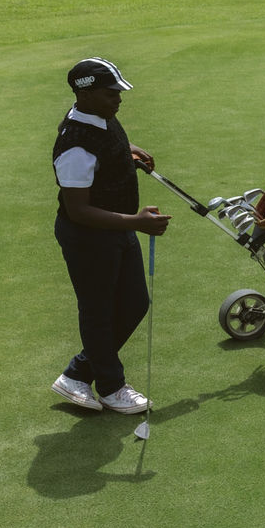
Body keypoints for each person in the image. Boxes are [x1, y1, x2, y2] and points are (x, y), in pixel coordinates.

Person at [50, 58, 171, 413]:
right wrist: (136, 222)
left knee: (135, 303)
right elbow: (79, 211)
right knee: (98, 312)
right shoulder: (74, 145)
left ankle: (76, 374)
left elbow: (104, 151)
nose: (118, 99)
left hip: (116, 230)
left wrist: (126, 153)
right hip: (88, 239)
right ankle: (111, 386)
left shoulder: (99, 116)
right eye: (110, 93)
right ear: (84, 93)